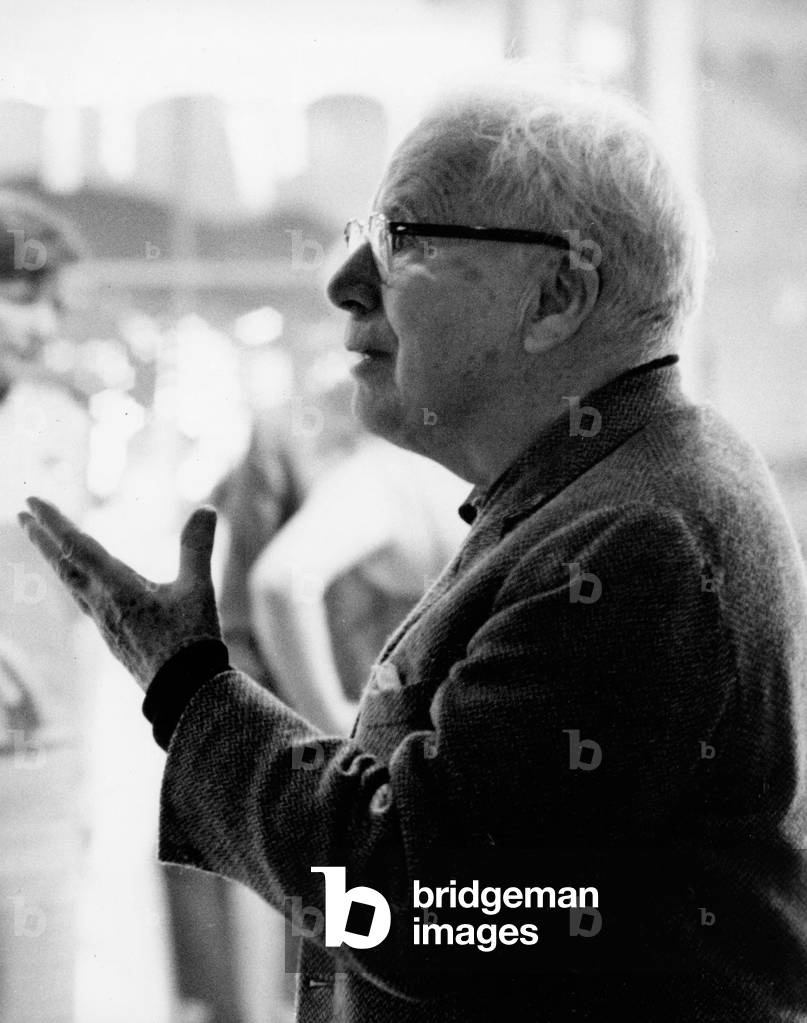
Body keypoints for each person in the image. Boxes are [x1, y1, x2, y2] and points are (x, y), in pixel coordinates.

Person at [19, 79, 807, 1022]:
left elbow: (429, 908)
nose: (343, 278)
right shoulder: (613, 486)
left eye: (403, 238)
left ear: (557, 295)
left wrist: (188, 687)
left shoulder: (640, 536)